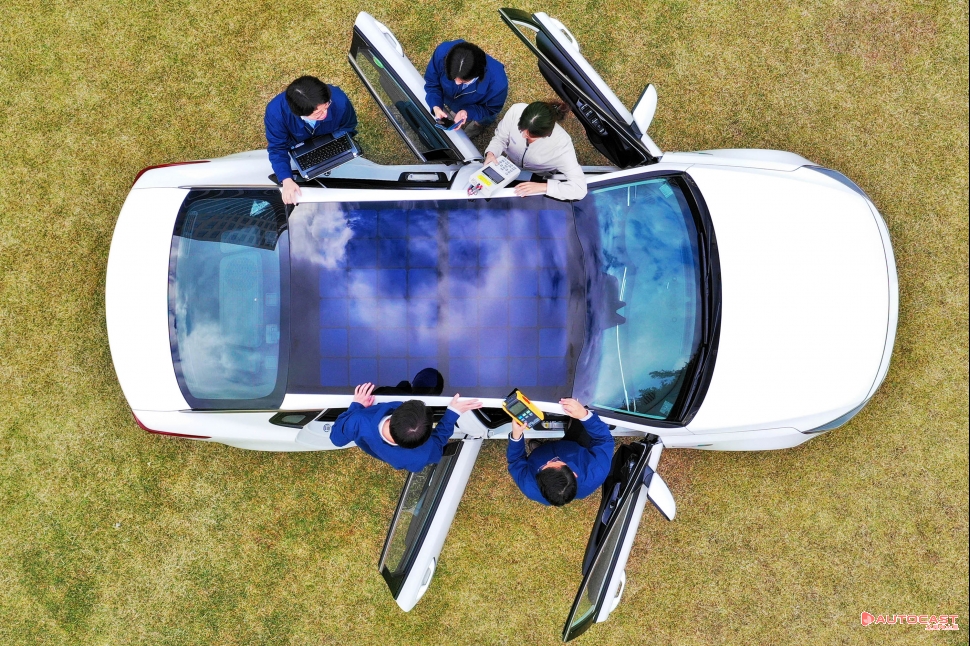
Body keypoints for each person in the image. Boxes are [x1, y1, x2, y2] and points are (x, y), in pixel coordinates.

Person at [330, 382, 482, 472]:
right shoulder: (418, 458)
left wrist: (357, 405)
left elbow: (336, 439)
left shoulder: (358, 420)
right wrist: (452, 413)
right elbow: (437, 442)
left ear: (397, 412)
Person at [264, 76, 358, 205]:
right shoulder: (276, 113)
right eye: (318, 113)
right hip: (299, 148)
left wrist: (334, 148)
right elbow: (277, 148)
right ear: (299, 113)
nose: (325, 114)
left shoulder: (340, 100)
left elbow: (349, 126)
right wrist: (286, 179)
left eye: (326, 106)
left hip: (332, 140)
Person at [506, 398, 613, 506]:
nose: (548, 461)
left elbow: (516, 460)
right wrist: (584, 416)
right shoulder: (597, 471)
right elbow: (604, 440)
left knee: (541, 454)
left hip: (544, 453)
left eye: (543, 467)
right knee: (584, 405)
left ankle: (541, 449)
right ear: (574, 474)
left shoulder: (529, 487)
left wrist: (516, 435)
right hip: (574, 446)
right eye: (555, 462)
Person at [484, 101, 587, 201]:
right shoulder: (516, 111)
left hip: (537, 176)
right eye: (521, 129)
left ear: (546, 134)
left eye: (530, 136)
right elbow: (500, 138)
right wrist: (491, 153)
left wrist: (544, 187)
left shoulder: (562, 145)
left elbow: (580, 189)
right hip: (508, 166)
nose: (523, 135)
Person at [424, 40, 508, 138]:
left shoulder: (499, 84)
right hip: (456, 102)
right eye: (452, 78)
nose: (456, 83)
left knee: (485, 118)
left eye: (462, 81)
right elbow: (432, 83)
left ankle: (478, 125)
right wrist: (435, 105)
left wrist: (468, 112)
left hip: (478, 108)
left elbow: (490, 109)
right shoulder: (441, 52)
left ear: (478, 74)